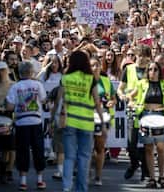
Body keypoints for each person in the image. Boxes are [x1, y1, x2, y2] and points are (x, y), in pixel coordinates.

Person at [56, 50, 104, 192]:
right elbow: (97, 102)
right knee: (84, 157)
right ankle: (81, 188)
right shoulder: (90, 79)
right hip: (86, 122)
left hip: (69, 121)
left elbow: (59, 100)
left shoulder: (66, 78)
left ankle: (66, 187)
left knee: (69, 157)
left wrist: (54, 119)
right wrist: (102, 122)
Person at [129, 62, 164, 188]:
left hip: (161, 116)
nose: (153, 72)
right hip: (146, 116)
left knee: (161, 148)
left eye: (155, 69)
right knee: (148, 148)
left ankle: (162, 176)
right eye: (150, 69)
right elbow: (130, 96)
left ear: (159, 71)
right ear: (147, 71)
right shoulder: (142, 84)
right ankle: (152, 178)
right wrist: (131, 102)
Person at [6, 61, 47, 191]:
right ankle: (40, 180)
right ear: (31, 72)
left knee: (22, 151)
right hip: (36, 122)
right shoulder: (37, 85)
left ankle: (23, 181)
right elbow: (44, 100)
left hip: (21, 123)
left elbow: (9, 106)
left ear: (19, 72)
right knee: (38, 150)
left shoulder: (15, 87)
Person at [117, 45, 151, 181]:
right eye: (141, 55)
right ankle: (134, 163)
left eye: (146, 56)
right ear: (136, 55)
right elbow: (120, 88)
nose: (143, 59)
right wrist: (122, 95)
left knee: (146, 142)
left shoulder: (151, 70)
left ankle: (145, 169)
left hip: (147, 109)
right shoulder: (129, 69)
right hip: (133, 109)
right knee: (131, 143)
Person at [90, 56, 116, 186]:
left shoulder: (106, 81)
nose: (95, 68)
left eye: (97, 65)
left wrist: (112, 102)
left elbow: (113, 98)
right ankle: (87, 173)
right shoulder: (84, 82)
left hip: (103, 117)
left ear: (101, 67)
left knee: (100, 148)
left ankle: (98, 176)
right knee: (87, 148)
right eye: (92, 65)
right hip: (87, 116)